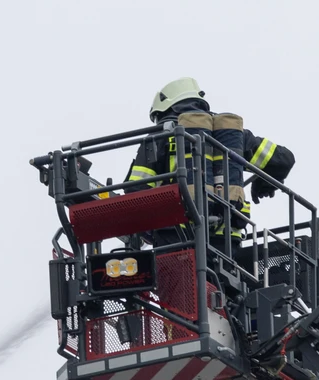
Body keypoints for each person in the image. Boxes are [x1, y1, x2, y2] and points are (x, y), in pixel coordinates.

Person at [123, 77, 296, 251]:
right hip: (227, 242)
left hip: (176, 237)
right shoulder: (234, 136)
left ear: (166, 108)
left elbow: (136, 191)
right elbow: (284, 160)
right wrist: (263, 181)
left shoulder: (158, 138)